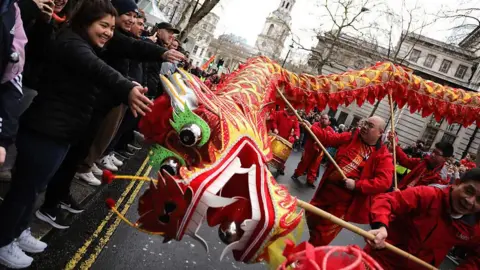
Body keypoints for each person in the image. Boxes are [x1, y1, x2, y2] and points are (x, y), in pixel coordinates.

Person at [0, 0, 154, 267]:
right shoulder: (72, 43)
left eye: (111, 28)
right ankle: (3, 240)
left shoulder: (87, 46)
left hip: (61, 132)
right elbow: (99, 70)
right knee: (24, 191)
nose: (108, 32)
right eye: (103, 26)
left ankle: (18, 229)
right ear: (86, 23)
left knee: (35, 188)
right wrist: (126, 87)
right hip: (45, 130)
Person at [365, 169, 480, 269]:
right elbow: (387, 200)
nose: (470, 201)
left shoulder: (474, 227)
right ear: (457, 183)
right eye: (468, 191)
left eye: (479, 200)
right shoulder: (429, 195)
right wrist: (380, 227)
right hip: (379, 261)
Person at [306, 116, 394, 247]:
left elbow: (384, 182)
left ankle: (305, 258)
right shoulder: (351, 137)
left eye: (370, 126)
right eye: (365, 123)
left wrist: (357, 185)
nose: (364, 127)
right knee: (311, 216)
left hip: (344, 204)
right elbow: (328, 138)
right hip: (325, 192)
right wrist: (310, 127)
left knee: (321, 236)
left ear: (380, 133)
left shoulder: (383, 155)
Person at [291, 114, 334, 188]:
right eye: (322, 118)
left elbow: (329, 139)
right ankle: (296, 174)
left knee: (315, 166)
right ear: (320, 119)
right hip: (310, 148)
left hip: (320, 151)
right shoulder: (315, 125)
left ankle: (310, 180)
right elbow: (310, 133)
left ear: (329, 121)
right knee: (304, 162)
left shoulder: (330, 130)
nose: (323, 120)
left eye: (325, 119)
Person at [272, 107, 300, 175]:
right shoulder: (280, 113)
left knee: (283, 155)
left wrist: (296, 135)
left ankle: (281, 167)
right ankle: (267, 162)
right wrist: (275, 128)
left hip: (286, 139)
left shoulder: (295, 118)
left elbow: (297, 128)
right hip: (278, 136)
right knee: (273, 150)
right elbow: (274, 121)